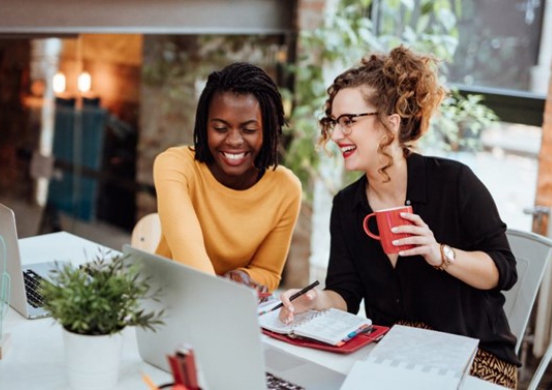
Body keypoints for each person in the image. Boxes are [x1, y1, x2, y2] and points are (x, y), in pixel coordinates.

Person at [278, 46, 520, 388]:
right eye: (334, 122)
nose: (335, 135)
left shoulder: (454, 183)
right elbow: (346, 294)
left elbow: (503, 272)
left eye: (348, 121)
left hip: (475, 358)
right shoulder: (348, 206)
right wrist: (316, 301)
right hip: (396, 357)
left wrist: (440, 254)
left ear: (389, 124)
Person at [153, 62, 302, 293]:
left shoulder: (286, 188)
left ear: (269, 130)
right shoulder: (175, 166)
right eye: (220, 128)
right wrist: (220, 291)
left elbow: (268, 272)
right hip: (167, 296)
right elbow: (187, 248)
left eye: (249, 130)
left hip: (228, 304)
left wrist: (243, 277)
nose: (233, 140)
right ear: (204, 127)